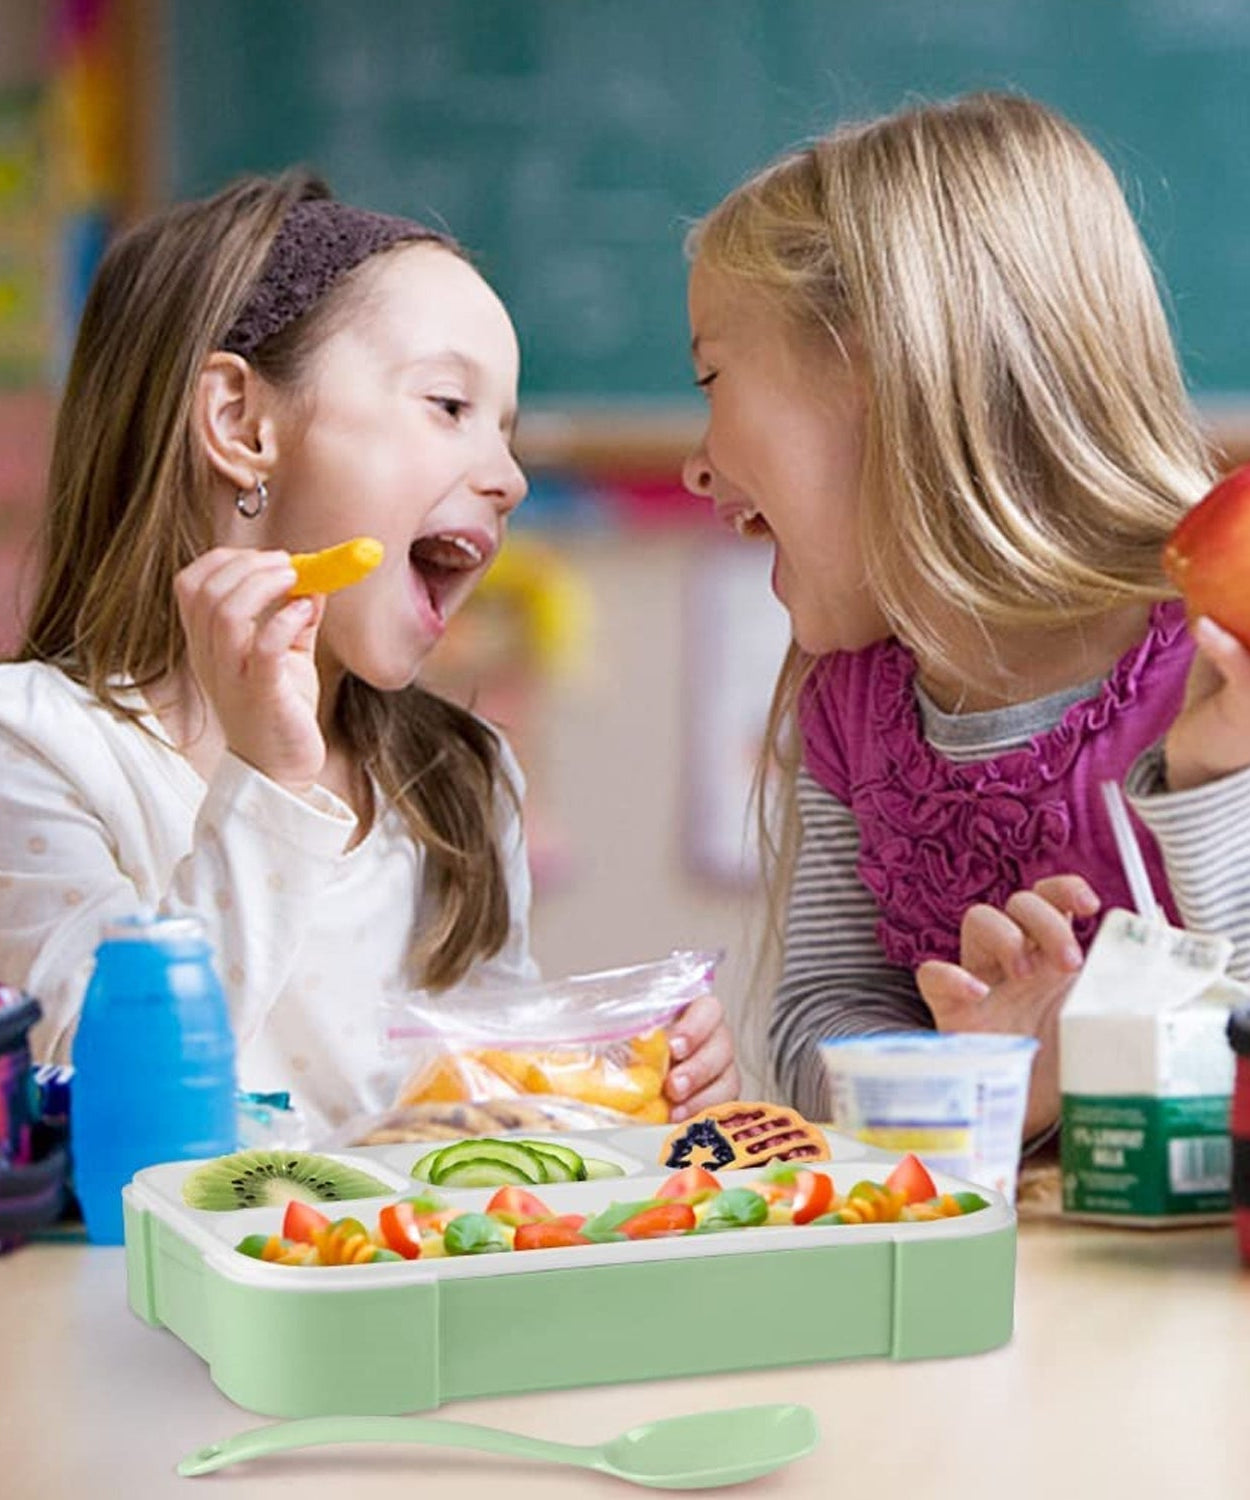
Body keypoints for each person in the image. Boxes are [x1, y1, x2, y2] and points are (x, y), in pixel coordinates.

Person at [0, 171, 737, 1139]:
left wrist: (616, 1096)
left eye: (506, 432)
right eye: (447, 405)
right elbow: (86, 1094)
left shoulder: (460, 785)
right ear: (241, 424)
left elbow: (481, 1119)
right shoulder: (38, 747)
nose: (509, 477)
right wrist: (265, 782)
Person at [680, 92, 1214, 1146]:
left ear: (879, 366)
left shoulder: (1216, 657)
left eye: (709, 379)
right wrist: (977, 1078)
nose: (697, 459)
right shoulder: (851, 706)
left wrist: (1105, 1054)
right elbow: (816, 1021)